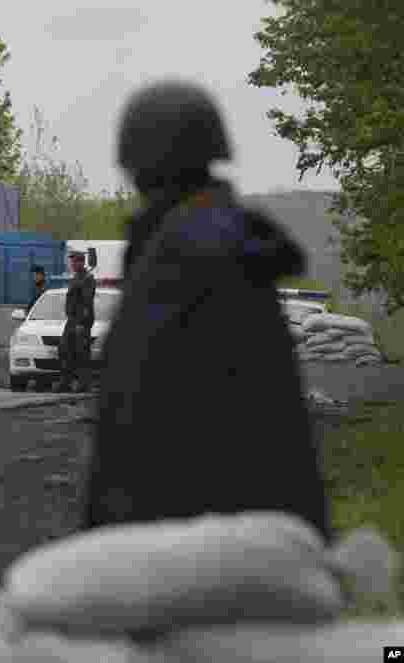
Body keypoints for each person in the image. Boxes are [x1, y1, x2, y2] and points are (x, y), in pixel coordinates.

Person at [82, 79, 332, 542]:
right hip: (260, 527)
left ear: (138, 161)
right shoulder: (222, 240)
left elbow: (138, 411)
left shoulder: (181, 254)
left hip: (193, 537)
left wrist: (110, 532)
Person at [55, 251, 96, 393]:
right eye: (71, 261)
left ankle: (84, 383)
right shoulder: (76, 278)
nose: (71, 264)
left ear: (81, 262)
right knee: (65, 349)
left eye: (74, 262)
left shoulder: (87, 279)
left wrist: (81, 323)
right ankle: (65, 381)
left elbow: (86, 302)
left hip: (81, 321)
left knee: (82, 353)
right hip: (72, 320)